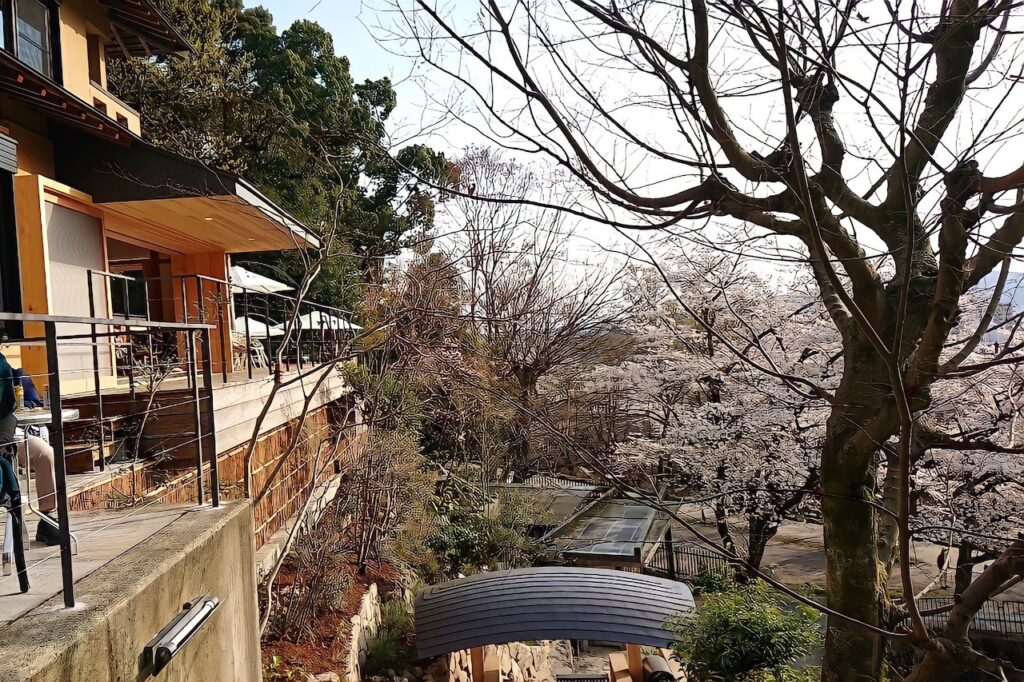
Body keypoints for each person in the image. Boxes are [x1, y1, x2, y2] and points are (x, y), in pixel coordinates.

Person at [0, 342, 60, 545]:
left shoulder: (3, 366)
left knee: (44, 452)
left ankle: (47, 520)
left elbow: (9, 405)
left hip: (7, 440)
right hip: (4, 443)